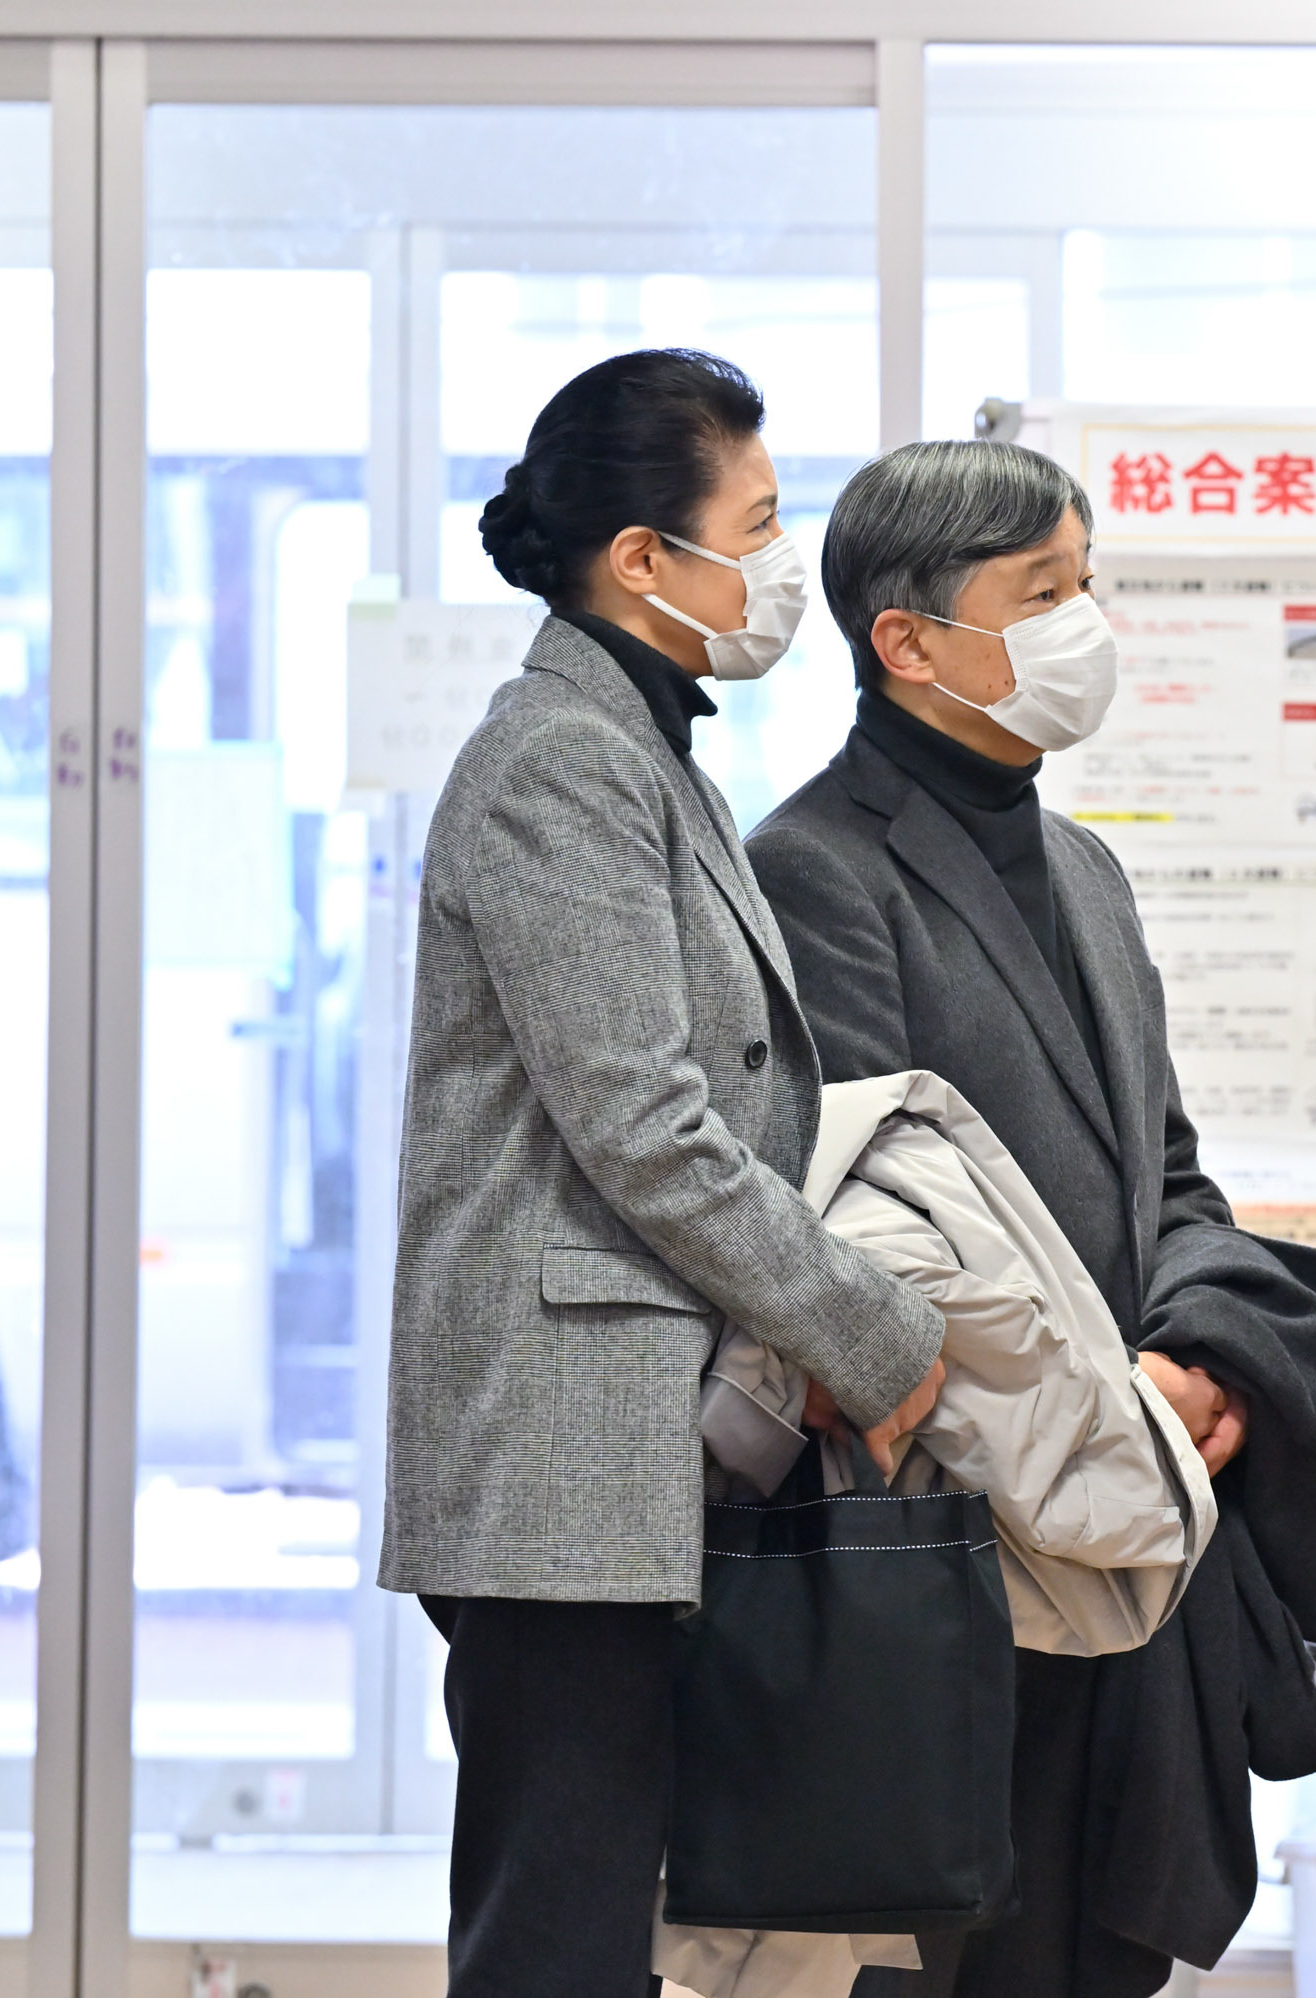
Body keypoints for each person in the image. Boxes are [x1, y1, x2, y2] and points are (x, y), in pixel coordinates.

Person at [744, 439, 1316, 1998]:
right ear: (909, 640)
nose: (1089, 624)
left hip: (1139, 1527)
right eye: (1045, 593)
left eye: (1087, 583)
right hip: (949, 1557)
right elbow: (870, 1228)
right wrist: (1101, 1404)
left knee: (1095, 1957)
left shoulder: (1085, 872)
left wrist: (1200, 1358)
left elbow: (1173, 1184)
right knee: (940, 1963)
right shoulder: (810, 871)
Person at [376, 349, 947, 1998]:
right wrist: (872, 1331)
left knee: (612, 1919)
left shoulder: (645, 751)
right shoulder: (561, 759)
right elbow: (646, 1123)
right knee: (557, 1932)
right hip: (564, 1459)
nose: (781, 567)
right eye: (758, 527)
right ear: (642, 557)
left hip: (633, 1448)